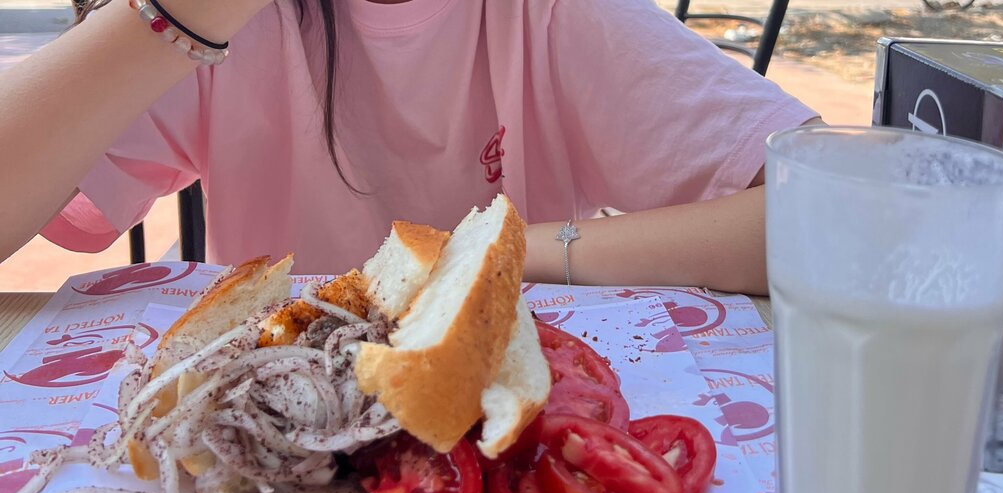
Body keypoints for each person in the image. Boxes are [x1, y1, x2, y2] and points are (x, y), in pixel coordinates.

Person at [0, 0, 819, 294]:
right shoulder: (232, 27)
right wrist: (177, 13)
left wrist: (493, 253)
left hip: (500, 412)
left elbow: (840, 214)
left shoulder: (556, 15)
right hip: (272, 411)